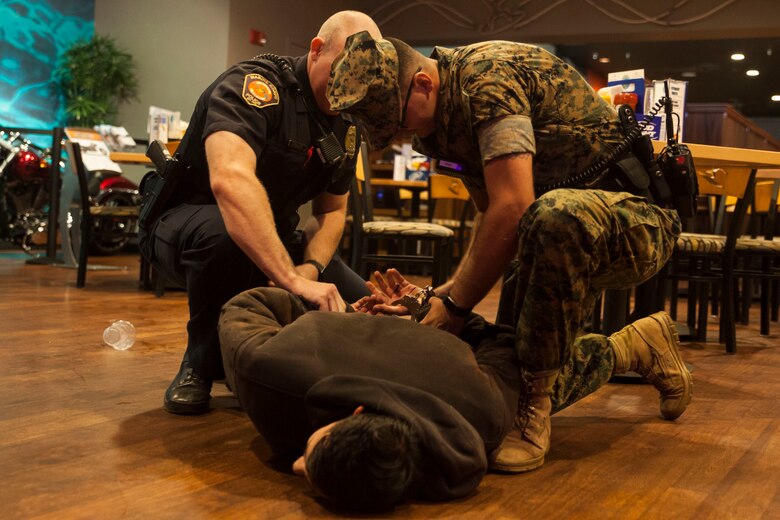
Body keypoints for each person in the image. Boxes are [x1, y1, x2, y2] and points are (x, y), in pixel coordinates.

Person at [326, 32, 692, 472]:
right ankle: (634, 347)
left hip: (634, 222)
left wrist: (457, 306)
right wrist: (436, 297)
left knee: (552, 219)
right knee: (506, 370)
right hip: (553, 236)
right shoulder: (435, 121)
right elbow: (495, 222)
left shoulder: (487, 80)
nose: (403, 135)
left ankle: (533, 413)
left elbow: (514, 205)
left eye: (399, 123)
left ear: (423, 83)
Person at [218, 285, 691, 512]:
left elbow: (244, 305)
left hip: (393, 334)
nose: (296, 465)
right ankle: (628, 346)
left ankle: (628, 346)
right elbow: (505, 345)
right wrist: (435, 316)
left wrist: (330, 313)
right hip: (412, 335)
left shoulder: (270, 374)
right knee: (521, 392)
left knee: (520, 395)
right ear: (358, 414)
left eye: (304, 455)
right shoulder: (480, 411)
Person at [137, 12, 382, 416]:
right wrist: (289, 277)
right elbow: (229, 182)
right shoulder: (253, 87)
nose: (350, 92)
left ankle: (304, 369)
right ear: (317, 50)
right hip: (187, 223)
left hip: (269, 236)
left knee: (365, 312)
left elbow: (333, 211)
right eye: (344, 73)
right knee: (224, 234)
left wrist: (310, 270)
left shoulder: (346, 123)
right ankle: (200, 362)